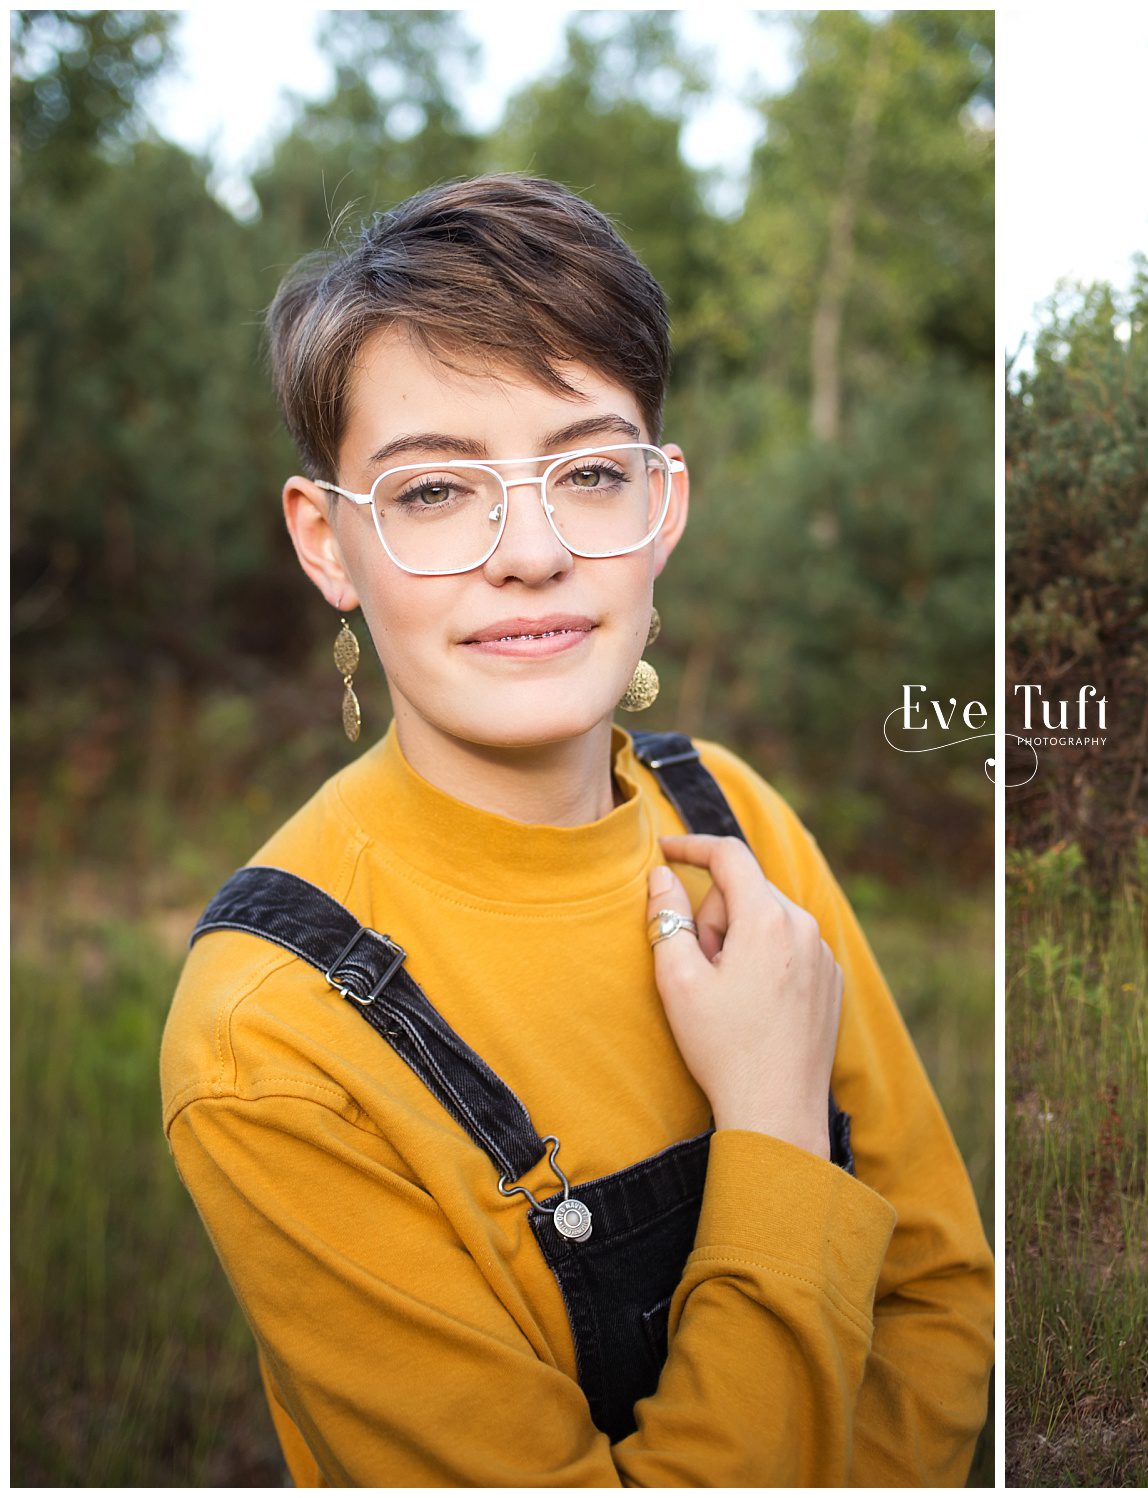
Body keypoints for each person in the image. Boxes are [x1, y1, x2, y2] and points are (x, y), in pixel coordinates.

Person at [158, 174, 994, 1485]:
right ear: (329, 544)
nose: (533, 550)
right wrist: (769, 1117)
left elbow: (941, 1291)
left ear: (661, 506)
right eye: (437, 491)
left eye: (589, 470)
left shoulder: (736, 817)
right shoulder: (269, 1038)